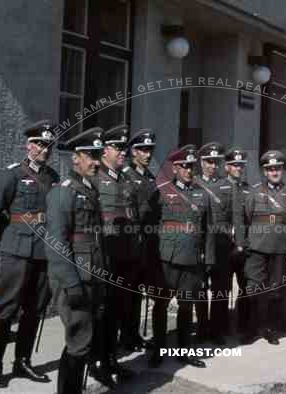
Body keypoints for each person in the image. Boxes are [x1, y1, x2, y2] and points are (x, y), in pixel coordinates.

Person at [0, 120, 58, 387]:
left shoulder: (53, 178)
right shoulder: (12, 175)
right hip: (16, 252)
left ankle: (23, 363)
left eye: (48, 145)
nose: (44, 149)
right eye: (39, 144)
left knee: (34, 310)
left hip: (43, 253)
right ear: (28, 145)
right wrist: (6, 236)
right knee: (6, 309)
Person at [45, 127, 106, 394]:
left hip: (90, 275)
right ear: (76, 158)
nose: (96, 161)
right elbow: (56, 245)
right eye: (91, 156)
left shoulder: (89, 190)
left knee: (81, 339)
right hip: (75, 280)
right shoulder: (64, 192)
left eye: (98, 155)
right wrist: (71, 286)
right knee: (79, 340)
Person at [148, 145, 212, 368]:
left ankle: (184, 351)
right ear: (174, 169)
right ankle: (157, 350)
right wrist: (152, 259)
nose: (188, 171)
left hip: (192, 259)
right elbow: (150, 226)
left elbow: (208, 230)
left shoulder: (202, 195)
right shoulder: (162, 193)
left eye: (190, 167)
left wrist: (208, 260)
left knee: (186, 306)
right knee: (160, 305)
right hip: (167, 258)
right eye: (183, 167)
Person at [89, 125, 139, 384]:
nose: (123, 152)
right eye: (118, 148)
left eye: (124, 148)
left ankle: (111, 359)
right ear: (104, 150)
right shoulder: (95, 179)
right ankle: (97, 361)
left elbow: (134, 218)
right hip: (104, 255)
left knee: (118, 310)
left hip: (125, 256)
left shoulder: (127, 180)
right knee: (102, 310)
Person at [242, 150, 286, 345]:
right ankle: (251, 328)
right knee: (253, 289)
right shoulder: (255, 191)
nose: (274, 172)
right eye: (270, 169)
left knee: (276, 291)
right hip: (257, 248)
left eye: (277, 168)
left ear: (282, 170)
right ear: (265, 172)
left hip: (280, 248)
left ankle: (271, 329)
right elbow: (247, 218)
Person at [121, 128, 158, 350]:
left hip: (147, 244)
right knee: (128, 294)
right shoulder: (126, 175)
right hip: (131, 244)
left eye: (149, 150)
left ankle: (133, 334)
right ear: (133, 152)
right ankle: (125, 336)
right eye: (143, 150)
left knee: (138, 293)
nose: (147, 154)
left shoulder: (149, 176)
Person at [193, 142, 229, 345]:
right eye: (208, 162)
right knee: (199, 287)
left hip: (221, 242)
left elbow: (234, 215)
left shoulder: (226, 185)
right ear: (201, 162)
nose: (212, 166)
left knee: (220, 288)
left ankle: (217, 329)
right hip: (201, 242)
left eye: (215, 162)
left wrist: (237, 241)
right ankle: (202, 327)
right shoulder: (194, 183)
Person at [222, 147, 251, 337]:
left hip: (245, 245)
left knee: (245, 286)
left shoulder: (248, 189)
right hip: (225, 245)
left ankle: (244, 326)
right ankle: (221, 327)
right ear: (227, 167)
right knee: (223, 288)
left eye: (241, 166)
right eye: (234, 165)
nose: (238, 168)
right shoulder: (220, 187)